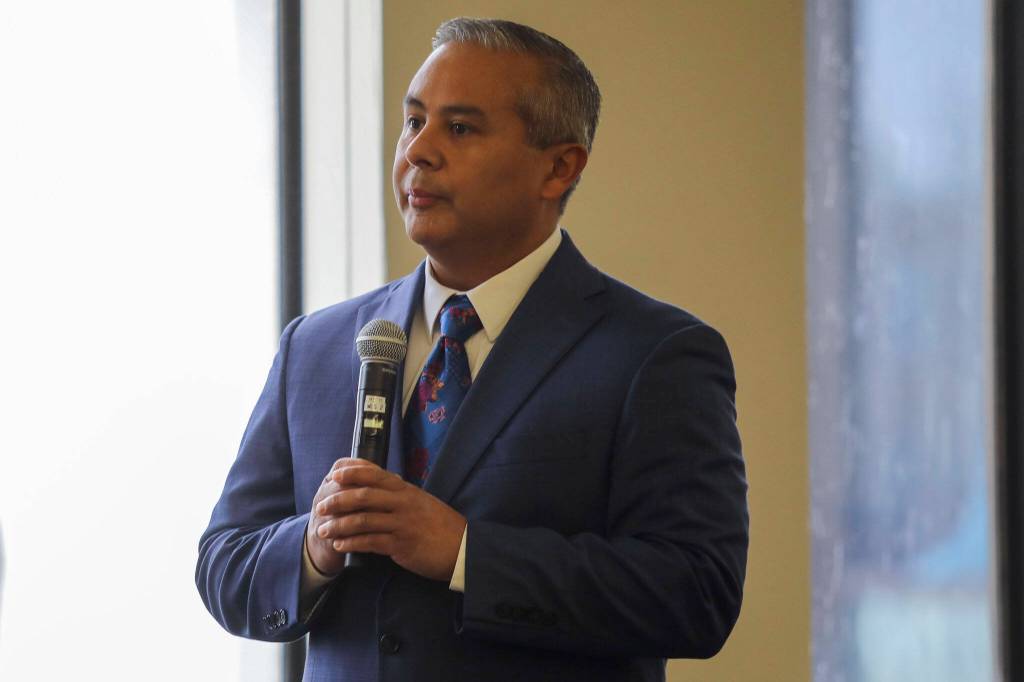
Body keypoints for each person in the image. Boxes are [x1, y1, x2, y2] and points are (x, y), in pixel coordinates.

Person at [197, 17, 748, 682]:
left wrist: (465, 553)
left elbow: (697, 592)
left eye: (459, 128)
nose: (418, 151)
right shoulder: (315, 346)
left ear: (559, 167)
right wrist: (315, 544)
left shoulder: (655, 354)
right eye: (413, 121)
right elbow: (223, 565)